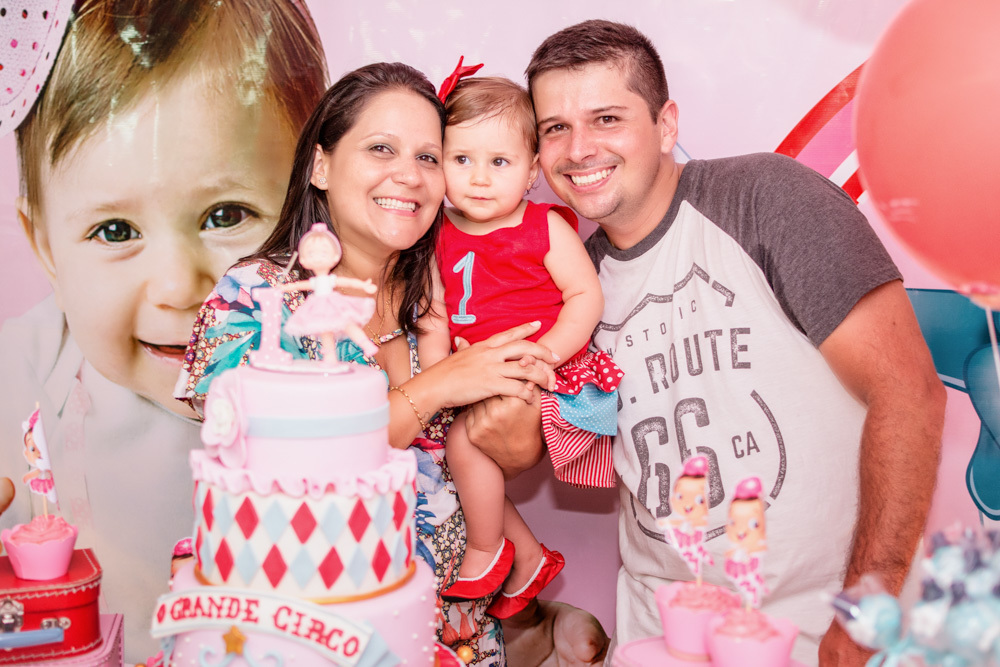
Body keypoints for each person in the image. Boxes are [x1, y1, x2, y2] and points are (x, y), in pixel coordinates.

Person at [522, 19, 946, 666]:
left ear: (666, 125)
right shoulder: (571, 287)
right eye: (555, 127)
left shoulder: (764, 199)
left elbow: (908, 391)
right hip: (660, 639)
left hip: (821, 639)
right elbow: (524, 446)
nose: (578, 148)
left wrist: (865, 611)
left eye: (606, 118)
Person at [177, 61, 608, 666]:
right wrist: (435, 387)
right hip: (311, 634)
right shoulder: (257, 299)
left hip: (458, 637)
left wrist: (521, 427)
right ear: (321, 165)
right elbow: (277, 469)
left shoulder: (446, 303)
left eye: (430, 157)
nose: (409, 175)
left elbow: (499, 449)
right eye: (382, 149)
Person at [0, 0, 327, 660]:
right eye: (115, 231)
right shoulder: (17, 384)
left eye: (226, 213)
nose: (179, 286)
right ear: (46, 249)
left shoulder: (344, 373)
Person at [417, 74, 622, 619]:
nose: (479, 179)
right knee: (453, 454)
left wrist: (548, 353)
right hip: (473, 374)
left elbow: (584, 296)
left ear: (532, 172)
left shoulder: (543, 227)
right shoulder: (437, 233)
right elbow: (436, 314)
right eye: (461, 160)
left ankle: (491, 551)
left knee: (465, 446)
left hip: (542, 368)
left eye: (500, 163)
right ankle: (527, 555)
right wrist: (440, 377)